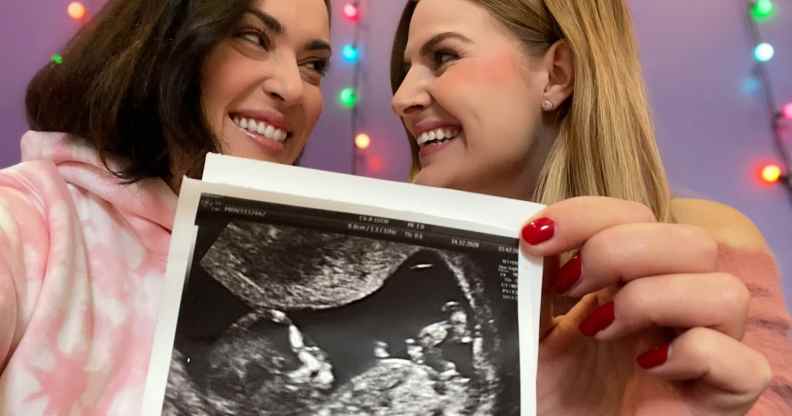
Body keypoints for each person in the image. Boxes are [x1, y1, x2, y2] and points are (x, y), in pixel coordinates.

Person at [390, 0, 792, 414]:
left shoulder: (709, 249)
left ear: (556, 74)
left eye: (444, 57)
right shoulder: (406, 278)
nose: (401, 98)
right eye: (404, 72)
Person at [0, 0, 331, 413]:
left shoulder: (294, 276)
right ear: (167, 44)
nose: (293, 87)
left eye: (314, 64)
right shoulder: (26, 222)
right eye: (252, 38)